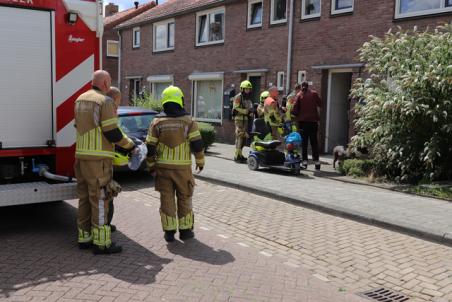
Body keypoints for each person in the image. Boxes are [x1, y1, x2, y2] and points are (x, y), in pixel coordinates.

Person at [74, 71, 136, 254]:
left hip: (81, 157)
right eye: (109, 82)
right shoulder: (105, 101)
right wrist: (130, 146)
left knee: (84, 198)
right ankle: (102, 243)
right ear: (106, 82)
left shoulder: (79, 99)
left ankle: (84, 238)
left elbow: (78, 126)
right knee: (100, 199)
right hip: (98, 159)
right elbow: (111, 131)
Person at [145, 85, 204, 243]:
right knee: (184, 198)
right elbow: (197, 143)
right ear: (180, 100)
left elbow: (150, 147)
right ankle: (185, 232)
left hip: (163, 169)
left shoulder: (157, 122)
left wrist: (151, 166)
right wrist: (200, 161)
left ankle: (169, 233)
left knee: (167, 199)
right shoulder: (189, 121)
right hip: (183, 170)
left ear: (164, 101)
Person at [104, 87, 122, 233]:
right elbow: (115, 134)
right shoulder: (109, 110)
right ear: (115, 99)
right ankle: (106, 226)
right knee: (107, 194)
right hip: (103, 161)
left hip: (89, 159)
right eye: (118, 102)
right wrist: (131, 147)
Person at [293, 81, 322, 170]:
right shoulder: (314, 93)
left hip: (303, 123)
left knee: (304, 143)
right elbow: (320, 103)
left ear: (301, 86)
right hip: (313, 122)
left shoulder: (299, 95)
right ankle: (317, 162)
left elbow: (295, 109)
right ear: (308, 86)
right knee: (314, 142)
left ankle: (305, 162)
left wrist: (295, 114)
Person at [232, 80, 254, 162]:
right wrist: (245, 111)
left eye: (249, 89)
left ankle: (240, 154)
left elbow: (250, 107)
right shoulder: (238, 97)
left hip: (246, 120)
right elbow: (235, 107)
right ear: (242, 89)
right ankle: (236, 156)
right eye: (246, 89)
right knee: (240, 136)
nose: (248, 91)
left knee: (244, 138)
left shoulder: (248, 98)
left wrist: (251, 112)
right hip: (239, 120)